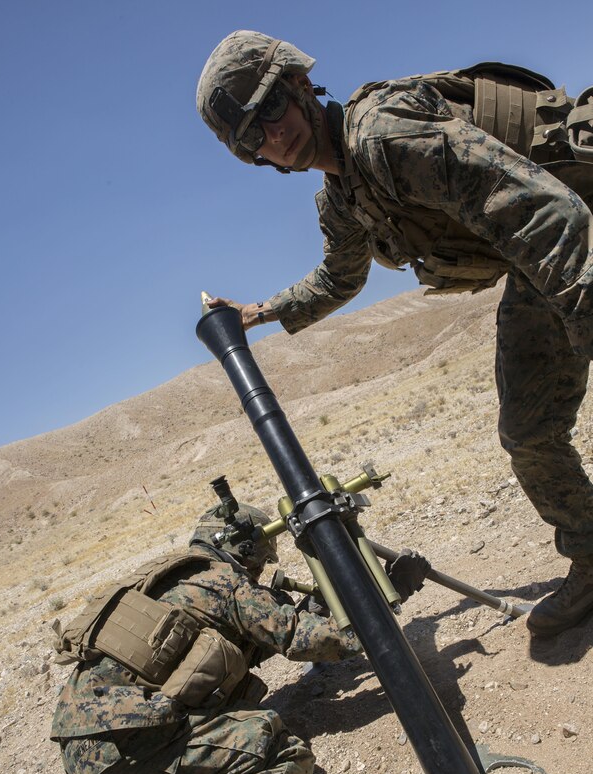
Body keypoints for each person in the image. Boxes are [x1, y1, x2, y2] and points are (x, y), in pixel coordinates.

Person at [196, 30, 593, 639]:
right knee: (530, 429)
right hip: (540, 260)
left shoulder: (383, 135)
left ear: (301, 86)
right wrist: (259, 312)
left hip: (574, 222)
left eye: (271, 110)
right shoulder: (343, 199)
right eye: (253, 138)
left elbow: (549, 213)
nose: (273, 137)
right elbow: (338, 277)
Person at [50, 491, 428, 774]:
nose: (260, 572)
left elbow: (232, 646)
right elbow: (320, 640)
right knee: (281, 750)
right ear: (242, 550)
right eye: (261, 562)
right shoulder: (225, 583)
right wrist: (389, 592)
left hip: (88, 751)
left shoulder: (163, 580)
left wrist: (303, 609)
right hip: (137, 738)